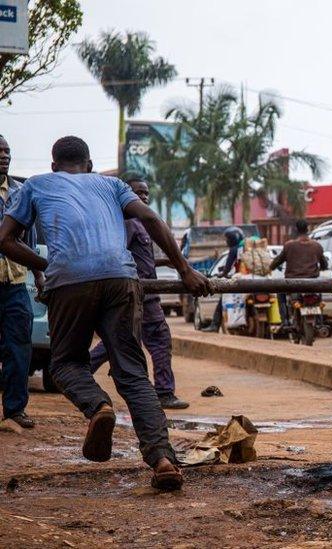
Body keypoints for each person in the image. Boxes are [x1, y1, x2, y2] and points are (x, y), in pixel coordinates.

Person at [0, 136, 212, 491]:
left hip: (69, 282)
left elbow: (4, 239)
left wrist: (47, 265)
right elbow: (151, 218)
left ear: (54, 166)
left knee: (66, 364)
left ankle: (98, 407)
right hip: (121, 277)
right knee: (132, 373)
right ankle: (162, 459)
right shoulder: (112, 185)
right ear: (89, 164)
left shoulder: (36, 185)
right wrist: (185, 270)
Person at [88, 177, 189, 410]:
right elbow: (120, 255)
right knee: (159, 339)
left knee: (118, 339)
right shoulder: (127, 224)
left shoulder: (137, 224)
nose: (143, 198)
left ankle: (79, 373)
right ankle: (164, 392)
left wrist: (165, 261)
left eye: (146, 194)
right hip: (141, 293)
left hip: (140, 291)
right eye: (138, 193)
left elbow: (142, 258)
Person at [0, 134, 41, 429]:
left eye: (7, 151)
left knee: (19, 345)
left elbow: (31, 239)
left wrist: (38, 274)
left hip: (15, 283)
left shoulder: (19, 192)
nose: (4, 156)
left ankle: (15, 408)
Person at [269, 219, 328, 323]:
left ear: (296, 230)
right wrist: (322, 267)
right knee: (319, 297)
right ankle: (320, 321)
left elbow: (278, 260)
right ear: (308, 229)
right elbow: (324, 264)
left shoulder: (289, 245)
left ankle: (285, 320)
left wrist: (271, 267)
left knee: (280, 292)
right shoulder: (317, 246)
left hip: (293, 283)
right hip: (312, 283)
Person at [200, 225, 245, 333]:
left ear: (232, 239)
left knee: (221, 301)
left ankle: (215, 325)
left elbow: (227, 268)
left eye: (227, 239)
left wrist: (222, 274)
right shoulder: (244, 247)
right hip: (250, 279)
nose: (226, 241)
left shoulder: (234, 250)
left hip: (238, 280)